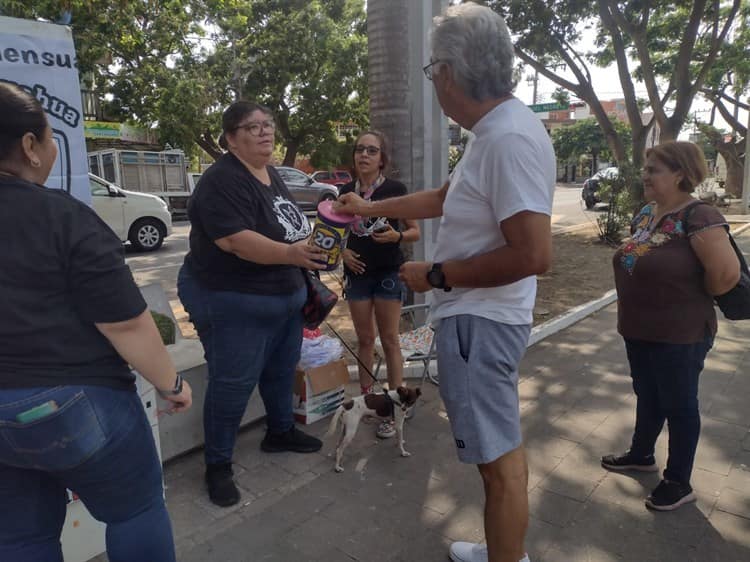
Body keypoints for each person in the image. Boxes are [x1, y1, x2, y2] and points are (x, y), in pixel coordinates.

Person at [335, 4, 555, 561]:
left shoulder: (507, 139)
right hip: (477, 320)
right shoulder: (493, 133)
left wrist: (434, 275)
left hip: (480, 322)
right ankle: (501, 549)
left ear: (451, 72)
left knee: (499, 461)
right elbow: (442, 199)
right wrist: (368, 205)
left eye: (432, 71)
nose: (433, 82)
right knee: (495, 455)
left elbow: (533, 253)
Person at [0, 81, 192, 562]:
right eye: (48, 137)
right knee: (135, 510)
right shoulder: (63, 217)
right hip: (77, 401)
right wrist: (171, 384)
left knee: (20, 537)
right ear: (29, 146)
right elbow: (125, 324)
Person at [177, 100, 327, 508]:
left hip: (283, 299)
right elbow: (235, 240)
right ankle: (218, 465)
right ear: (231, 139)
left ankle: (280, 432)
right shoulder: (221, 181)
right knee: (232, 385)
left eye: (268, 124)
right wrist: (293, 255)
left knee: (280, 373)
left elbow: (286, 226)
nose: (265, 132)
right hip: (233, 300)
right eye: (252, 127)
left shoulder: (270, 172)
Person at [601, 141, 739, 510]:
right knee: (648, 394)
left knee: (679, 405)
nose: (644, 175)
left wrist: (686, 299)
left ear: (680, 173)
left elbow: (725, 274)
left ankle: (678, 481)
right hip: (639, 328)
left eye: (653, 169)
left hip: (681, 333)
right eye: (646, 168)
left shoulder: (700, 216)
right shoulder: (647, 213)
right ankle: (642, 453)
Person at [339, 131, 420, 439]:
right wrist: (343, 252)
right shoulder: (346, 192)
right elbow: (332, 235)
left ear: (382, 159)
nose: (364, 155)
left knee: (389, 340)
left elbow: (415, 232)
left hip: (388, 273)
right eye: (360, 149)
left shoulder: (395, 190)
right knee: (363, 340)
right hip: (357, 276)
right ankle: (367, 401)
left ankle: (397, 406)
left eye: (372, 150)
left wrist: (397, 236)